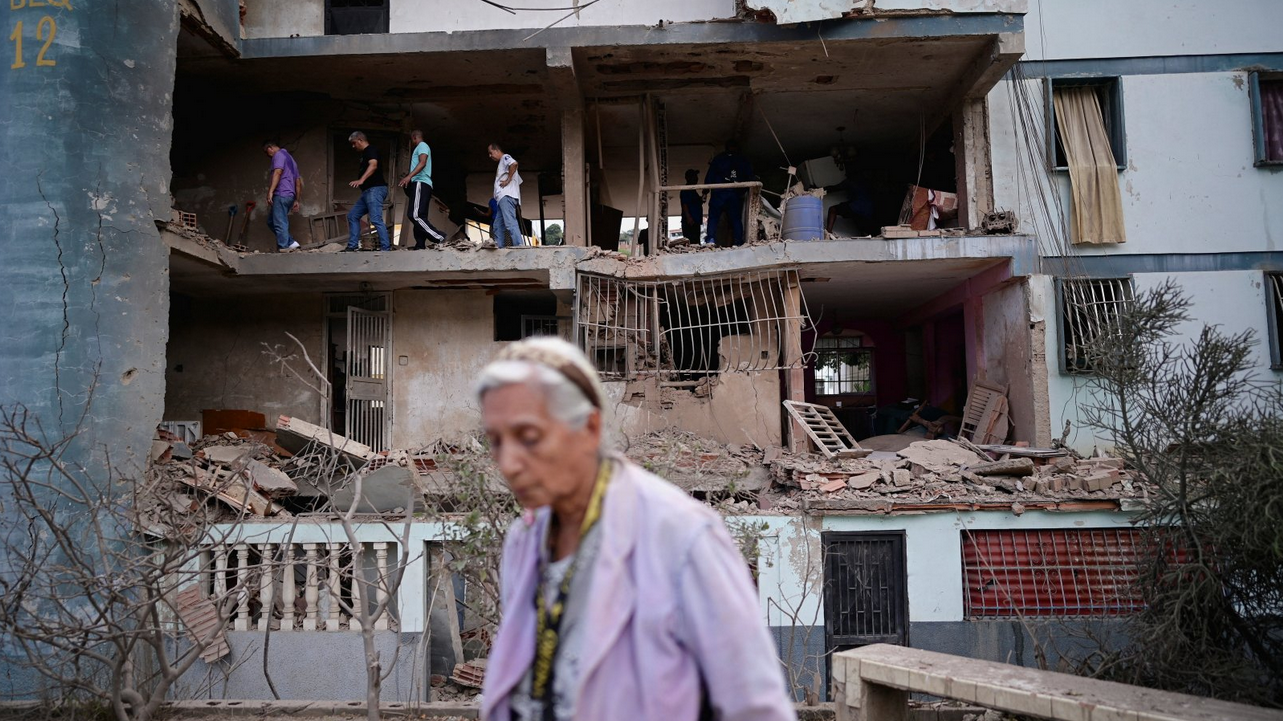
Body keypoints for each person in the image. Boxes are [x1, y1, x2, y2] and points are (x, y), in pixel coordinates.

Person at [476, 337, 796, 721]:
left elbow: (756, 708)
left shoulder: (682, 536)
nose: (508, 463)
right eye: (495, 442)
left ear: (589, 428)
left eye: (529, 437)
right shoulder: (524, 541)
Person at [398, 129, 446, 249]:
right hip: (422, 183)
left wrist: (409, 177)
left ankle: (439, 237)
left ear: (414, 137)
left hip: (420, 182)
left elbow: (422, 162)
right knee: (420, 216)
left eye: (412, 139)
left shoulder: (422, 145)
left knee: (415, 215)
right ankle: (420, 244)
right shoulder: (422, 146)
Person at [344, 131, 391, 252]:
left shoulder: (370, 150)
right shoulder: (365, 153)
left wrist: (361, 180)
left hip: (375, 189)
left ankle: (385, 248)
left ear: (360, 140)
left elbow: (373, 165)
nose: (353, 146)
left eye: (354, 143)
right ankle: (352, 246)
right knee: (353, 216)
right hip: (367, 192)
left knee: (375, 219)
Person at [704, 141, 756, 247]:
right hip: (733, 194)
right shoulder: (742, 159)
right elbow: (750, 176)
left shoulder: (719, 159)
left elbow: (710, 176)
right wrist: (746, 189)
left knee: (714, 218)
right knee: (735, 219)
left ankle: (710, 240)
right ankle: (738, 242)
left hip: (719, 193)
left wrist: (705, 191)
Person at [262, 141, 302, 251]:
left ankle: (284, 247)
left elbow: (278, 172)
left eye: (267, 153)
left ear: (270, 148)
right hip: (289, 196)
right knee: (271, 221)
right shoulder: (291, 160)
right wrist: (296, 200)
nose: (269, 156)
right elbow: (298, 182)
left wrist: (271, 191)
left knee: (280, 222)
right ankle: (291, 242)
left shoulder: (278, 155)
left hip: (281, 193)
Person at [488, 142, 524, 248]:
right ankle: (500, 247)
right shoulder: (502, 163)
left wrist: (508, 180)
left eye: (491, 153)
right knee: (497, 225)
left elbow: (514, 164)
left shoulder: (505, 157)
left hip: (506, 196)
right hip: (501, 199)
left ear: (496, 150)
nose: (490, 156)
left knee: (510, 222)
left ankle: (519, 246)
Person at [679, 168, 703, 243]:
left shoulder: (693, 191)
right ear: (689, 178)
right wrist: (689, 218)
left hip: (695, 221)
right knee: (691, 242)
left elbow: (696, 203)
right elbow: (684, 204)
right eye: (694, 176)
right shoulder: (686, 190)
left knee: (696, 242)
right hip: (690, 222)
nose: (696, 178)